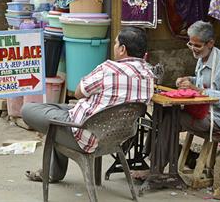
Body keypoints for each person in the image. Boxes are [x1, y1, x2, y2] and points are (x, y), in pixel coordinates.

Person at [22, 27, 155, 182]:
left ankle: (52, 172)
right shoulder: (149, 75)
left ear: (122, 49)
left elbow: (78, 93)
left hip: (85, 133)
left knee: (28, 110)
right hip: (116, 137)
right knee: (57, 111)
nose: (114, 46)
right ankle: (53, 171)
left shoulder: (109, 69)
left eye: (116, 43)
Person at [176, 20, 220, 136]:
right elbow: (202, 81)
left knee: (173, 118)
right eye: (191, 44)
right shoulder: (202, 58)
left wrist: (198, 90)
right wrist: (189, 80)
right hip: (201, 112)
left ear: (210, 43)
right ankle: (156, 153)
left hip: (219, 119)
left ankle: (163, 153)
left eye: (197, 45)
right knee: (164, 114)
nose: (193, 49)